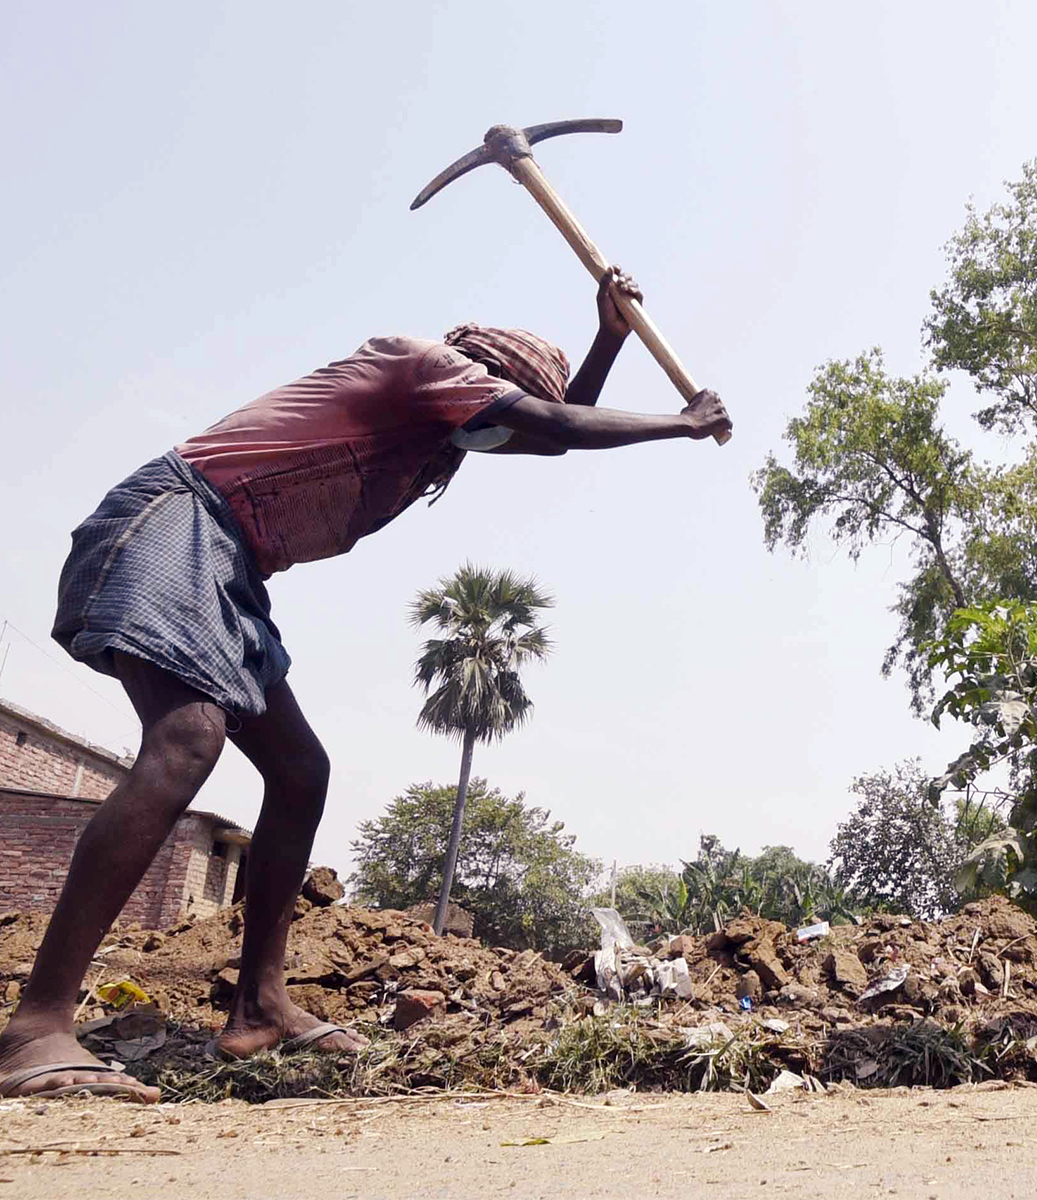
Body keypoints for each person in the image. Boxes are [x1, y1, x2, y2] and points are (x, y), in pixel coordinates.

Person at [0, 268, 731, 1102]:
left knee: (300, 771)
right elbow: (550, 423)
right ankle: (38, 1027)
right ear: (476, 380)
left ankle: (261, 1005)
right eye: (494, 412)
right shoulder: (417, 363)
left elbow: (548, 431)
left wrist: (608, 337)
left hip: (231, 568)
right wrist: (681, 421)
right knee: (188, 738)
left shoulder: (440, 427)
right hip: (178, 521)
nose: (489, 438)